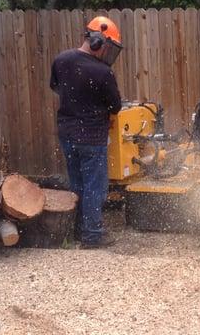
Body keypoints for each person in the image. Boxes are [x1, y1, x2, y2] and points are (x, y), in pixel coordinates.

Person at [50, 16, 123, 249]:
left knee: (77, 184)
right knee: (95, 187)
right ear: (96, 41)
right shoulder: (102, 72)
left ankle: (78, 230)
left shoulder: (61, 60)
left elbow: (55, 87)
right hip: (91, 136)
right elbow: (116, 106)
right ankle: (92, 235)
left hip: (67, 133)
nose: (106, 53)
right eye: (107, 47)